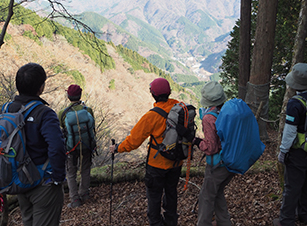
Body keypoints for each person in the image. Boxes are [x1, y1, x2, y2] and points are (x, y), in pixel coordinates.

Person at [109, 78, 182, 226]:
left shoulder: (151, 116)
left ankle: (157, 223)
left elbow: (133, 141)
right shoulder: (180, 108)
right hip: (176, 161)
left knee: (154, 199)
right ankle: (171, 222)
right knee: (171, 194)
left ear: (153, 94)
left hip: (157, 165)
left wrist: (117, 148)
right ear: (169, 92)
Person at [7, 63, 66, 226]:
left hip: (20, 181)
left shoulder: (8, 109)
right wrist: (57, 178)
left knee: (28, 221)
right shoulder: (44, 113)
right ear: (41, 87)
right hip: (43, 184)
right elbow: (57, 147)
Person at [274, 63, 307, 226]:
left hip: (298, 153)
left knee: (292, 188)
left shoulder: (295, 103)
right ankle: (305, 216)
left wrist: (283, 151)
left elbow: (290, 131)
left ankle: (286, 220)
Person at [193, 81, 234, 226]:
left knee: (206, 196)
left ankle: (203, 223)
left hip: (217, 164)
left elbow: (211, 148)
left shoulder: (209, 118)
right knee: (218, 192)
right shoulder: (228, 110)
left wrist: (197, 141)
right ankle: (224, 222)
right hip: (230, 160)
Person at [58, 84, 95, 208]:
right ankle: (84, 193)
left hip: (71, 149)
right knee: (85, 169)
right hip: (87, 147)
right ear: (80, 95)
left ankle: (74, 200)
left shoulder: (62, 114)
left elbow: (62, 131)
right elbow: (92, 128)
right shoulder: (87, 110)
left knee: (71, 173)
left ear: (68, 96)